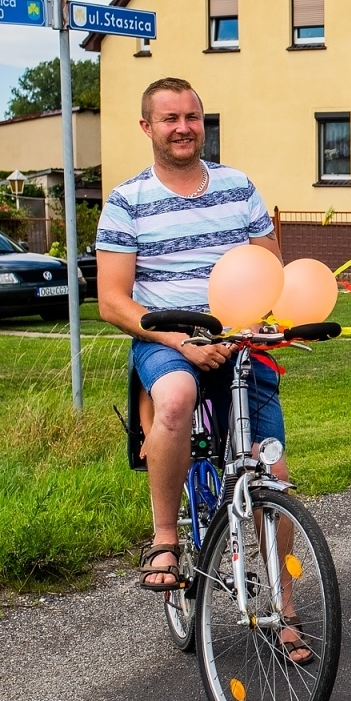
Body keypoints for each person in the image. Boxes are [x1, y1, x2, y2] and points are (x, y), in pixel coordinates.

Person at [96, 77, 311, 662]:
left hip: (239, 338)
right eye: (170, 118)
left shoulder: (239, 187)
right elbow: (114, 301)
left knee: (275, 476)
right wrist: (181, 340)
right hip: (166, 339)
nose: (184, 127)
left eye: (192, 116)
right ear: (147, 128)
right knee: (173, 400)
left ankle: (284, 606)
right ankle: (166, 539)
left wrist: (267, 319)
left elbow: (269, 267)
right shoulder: (126, 200)